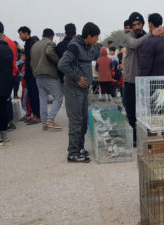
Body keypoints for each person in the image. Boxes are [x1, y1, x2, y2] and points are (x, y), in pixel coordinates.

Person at [58, 22, 100, 163]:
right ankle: (73, 153)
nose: (97, 39)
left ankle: (80, 147)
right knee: (76, 121)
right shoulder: (74, 46)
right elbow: (62, 64)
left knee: (83, 121)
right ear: (89, 35)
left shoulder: (88, 47)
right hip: (73, 90)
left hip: (82, 90)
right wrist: (77, 78)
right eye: (96, 37)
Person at [122, 12, 164, 147]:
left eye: (138, 24)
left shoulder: (150, 37)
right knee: (130, 112)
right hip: (130, 81)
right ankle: (134, 137)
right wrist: (151, 34)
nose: (136, 27)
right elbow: (134, 44)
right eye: (134, 25)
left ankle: (147, 137)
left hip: (144, 82)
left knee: (145, 112)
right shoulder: (130, 37)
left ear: (143, 24)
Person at [31, 28, 63, 131]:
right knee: (58, 97)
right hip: (48, 74)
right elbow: (49, 52)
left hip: (37, 75)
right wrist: (58, 61)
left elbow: (31, 61)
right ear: (52, 36)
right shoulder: (50, 43)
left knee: (43, 99)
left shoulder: (35, 45)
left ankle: (44, 123)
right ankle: (50, 119)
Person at [18, 26, 41, 125]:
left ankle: (37, 116)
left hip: (33, 74)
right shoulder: (27, 43)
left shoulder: (32, 43)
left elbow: (34, 60)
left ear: (26, 33)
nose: (20, 36)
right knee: (30, 96)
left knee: (34, 96)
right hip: (28, 74)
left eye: (21, 34)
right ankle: (33, 115)